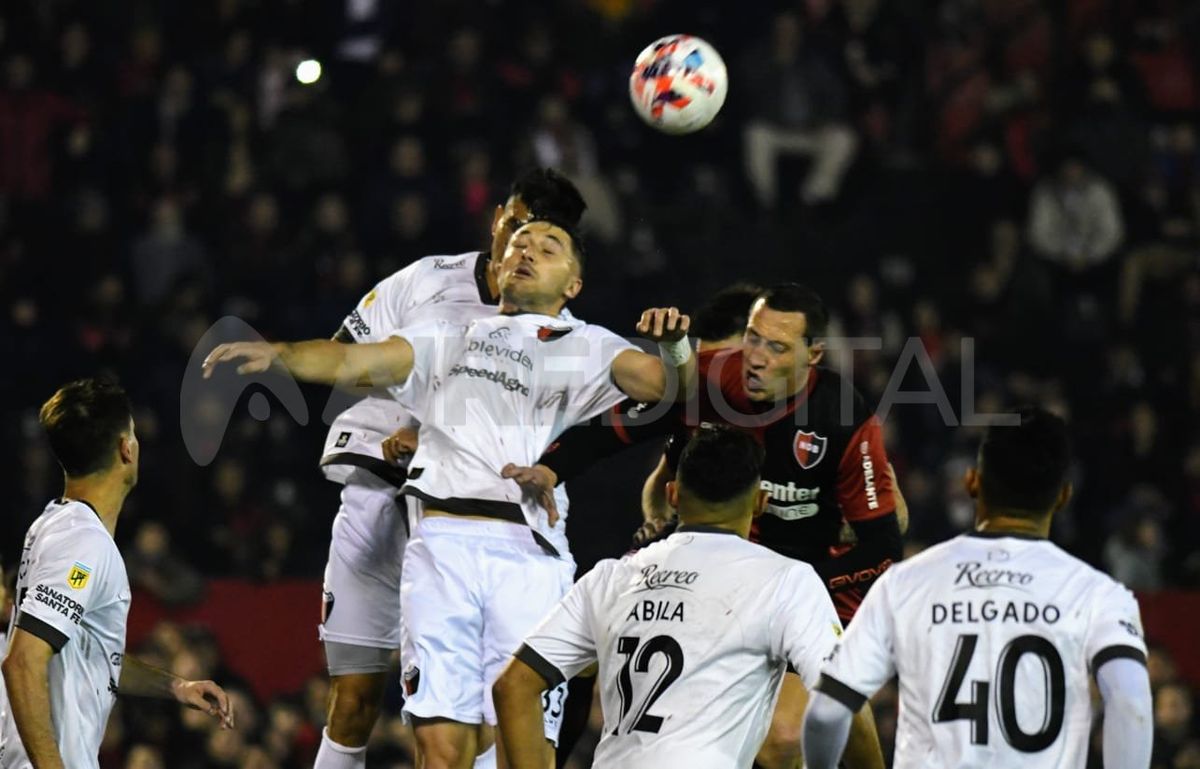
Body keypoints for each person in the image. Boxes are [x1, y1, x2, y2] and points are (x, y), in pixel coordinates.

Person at [202, 218, 695, 769]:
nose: (527, 251)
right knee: (438, 749)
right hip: (438, 549)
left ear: (572, 286)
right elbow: (352, 361)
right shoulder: (445, 335)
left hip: (525, 555)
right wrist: (279, 355)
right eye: (518, 244)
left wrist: (674, 348)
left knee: (522, 749)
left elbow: (673, 390)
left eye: (548, 248)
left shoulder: (585, 345)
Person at [511, 282, 903, 768]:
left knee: (785, 737)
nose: (756, 357)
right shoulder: (714, 380)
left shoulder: (843, 415)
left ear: (813, 354)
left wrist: (790, 588)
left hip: (810, 577)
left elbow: (885, 541)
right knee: (586, 653)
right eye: (754, 338)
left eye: (776, 347)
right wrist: (553, 467)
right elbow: (619, 427)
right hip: (718, 564)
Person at [313, 168, 586, 769]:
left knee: (485, 712)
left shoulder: (565, 338)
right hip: (376, 501)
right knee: (353, 696)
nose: (516, 244)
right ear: (496, 218)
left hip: (469, 522)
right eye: (511, 225)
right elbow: (346, 356)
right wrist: (414, 386)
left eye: (538, 237)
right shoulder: (428, 280)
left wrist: (438, 421)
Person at [493, 426, 884, 769]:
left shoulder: (611, 576)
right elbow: (837, 701)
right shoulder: (785, 580)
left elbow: (512, 686)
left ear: (673, 494)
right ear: (761, 503)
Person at [802, 407, 1154, 769]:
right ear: (1063, 497)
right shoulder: (1098, 595)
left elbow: (827, 712)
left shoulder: (906, 583)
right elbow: (1131, 704)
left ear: (972, 482)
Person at [0, 378, 234, 769]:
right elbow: (22, 661)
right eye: (134, 435)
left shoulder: (61, 528)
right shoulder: (80, 544)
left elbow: (92, 655)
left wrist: (176, 686)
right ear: (126, 449)